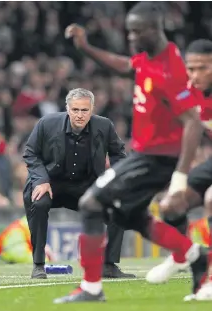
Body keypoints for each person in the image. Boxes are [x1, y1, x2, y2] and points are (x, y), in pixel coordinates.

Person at [54, 2, 211, 303]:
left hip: (155, 158)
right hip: (145, 154)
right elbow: (126, 66)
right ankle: (193, 254)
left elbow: (191, 121)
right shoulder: (150, 58)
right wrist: (86, 47)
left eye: (137, 32)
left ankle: (91, 288)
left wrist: (179, 176)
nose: (131, 38)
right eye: (129, 32)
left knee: (90, 204)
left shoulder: (170, 70)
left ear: (155, 30)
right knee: (131, 216)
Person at [23, 88, 134, 279]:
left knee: (119, 206)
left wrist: (116, 182)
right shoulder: (46, 123)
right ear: (67, 108)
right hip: (51, 182)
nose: (79, 115)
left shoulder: (104, 126)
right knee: (38, 202)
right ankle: (38, 264)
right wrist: (41, 180)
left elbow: (118, 154)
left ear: (92, 109)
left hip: (86, 185)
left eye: (84, 110)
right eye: (75, 110)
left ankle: (108, 265)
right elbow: (31, 152)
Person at [146, 39, 212, 284]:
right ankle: (183, 254)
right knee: (170, 205)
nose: (195, 75)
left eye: (203, 68)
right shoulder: (186, 91)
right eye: (191, 68)